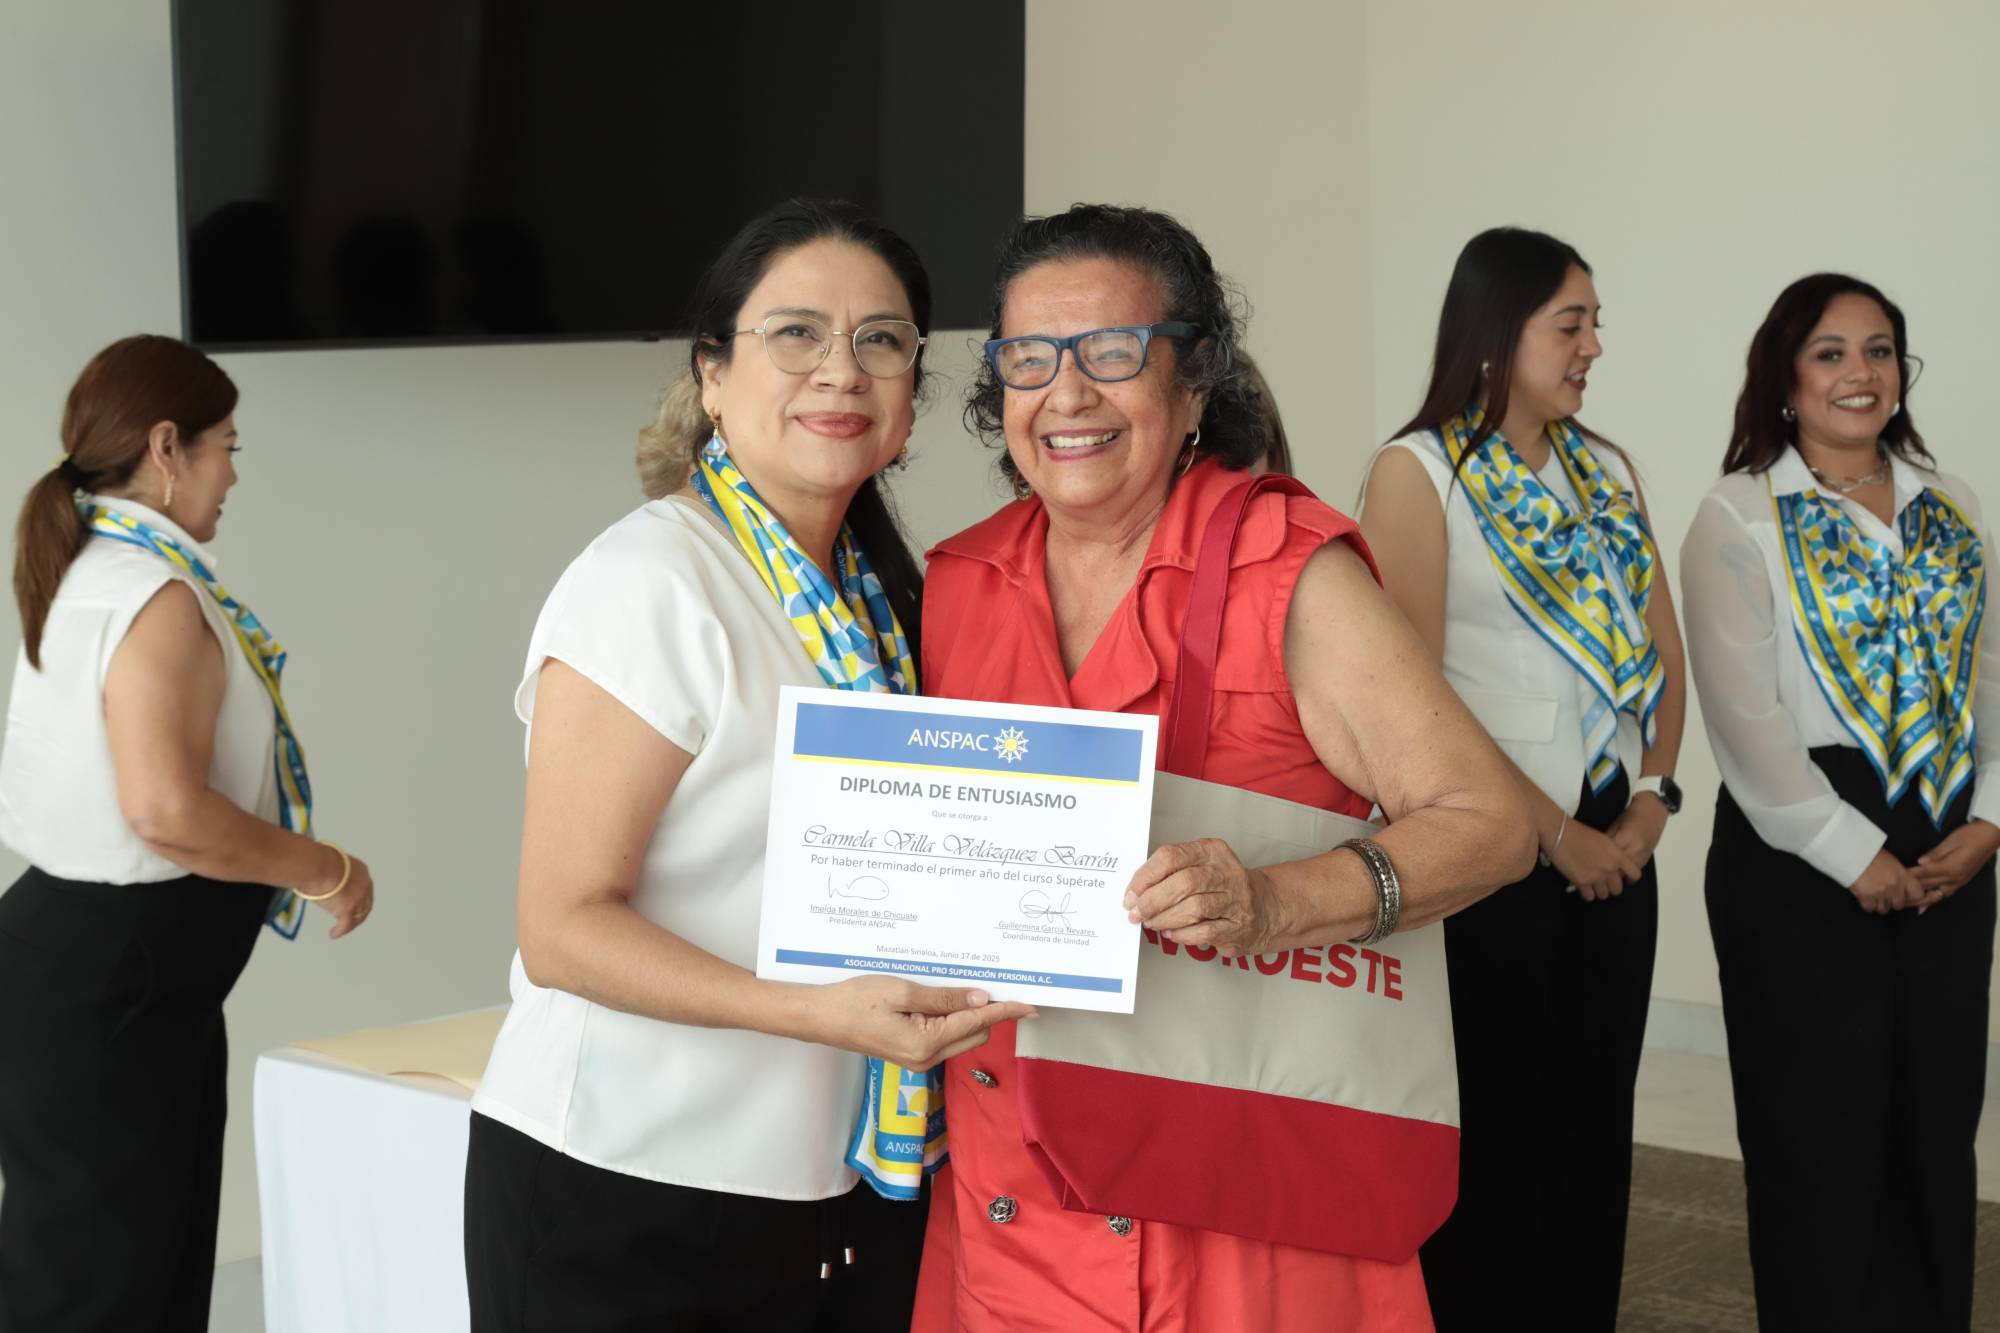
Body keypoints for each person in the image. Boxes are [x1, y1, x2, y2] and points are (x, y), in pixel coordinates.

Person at [911, 203, 1535, 1332]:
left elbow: (1490, 822)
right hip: (1007, 1202)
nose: (1065, 394)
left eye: (1112, 353)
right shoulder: (957, 581)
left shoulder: (1283, 569)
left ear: (1194, 381)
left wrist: (1273, 900)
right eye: (1025, 358)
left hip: (1236, 1213)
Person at [461, 200, 1032, 1331]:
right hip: (627, 1185)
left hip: (824, 1187)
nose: (843, 369)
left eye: (882, 340)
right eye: (796, 334)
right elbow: (562, 926)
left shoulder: (886, 606)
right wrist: (816, 1012)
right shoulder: (651, 583)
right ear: (711, 375)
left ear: (912, 393)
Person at [0, 334, 375, 1331]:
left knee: (112, 1270)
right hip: (113, 988)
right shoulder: (149, 593)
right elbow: (165, 811)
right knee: (106, 1288)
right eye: (226, 446)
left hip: (102, 979)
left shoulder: (93, 569)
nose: (233, 472)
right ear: (167, 447)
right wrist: (323, 868)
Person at [1358, 227, 1688, 1331]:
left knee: (1592, 1131)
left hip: (1616, 843)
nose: (1593, 344)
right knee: (1493, 1132)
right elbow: (1412, 702)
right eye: (1571, 322)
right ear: (1498, 333)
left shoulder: (1607, 468)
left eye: (1593, 321)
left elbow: (1661, 652)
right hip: (1488, 853)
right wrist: (1554, 834)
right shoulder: (1418, 472)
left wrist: (1649, 801)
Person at [1680, 274, 1995, 1332]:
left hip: (1951, 840)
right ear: (1782, 373)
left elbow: (1990, 674)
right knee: (1816, 1129)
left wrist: (1988, 820)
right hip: (1798, 853)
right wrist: (1850, 851)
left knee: (1933, 1119)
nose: (1858, 374)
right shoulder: (1737, 511)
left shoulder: (1948, 503)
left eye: (1878, 350)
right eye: (1828, 352)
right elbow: (1742, 716)